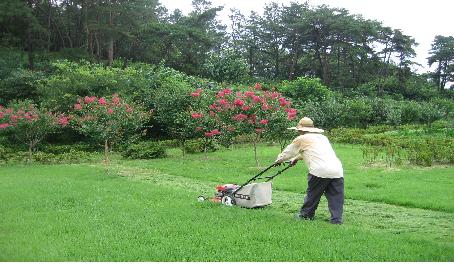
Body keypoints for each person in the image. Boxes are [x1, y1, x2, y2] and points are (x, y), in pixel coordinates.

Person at [274, 117, 344, 224]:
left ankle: (306, 215)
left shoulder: (301, 139)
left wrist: (278, 160)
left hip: (319, 171)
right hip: (337, 170)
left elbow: (288, 152)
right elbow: (311, 152)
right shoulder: (322, 138)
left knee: (313, 194)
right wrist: (296, 159)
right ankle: (336, 220)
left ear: (301, 129)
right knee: (336, 196)